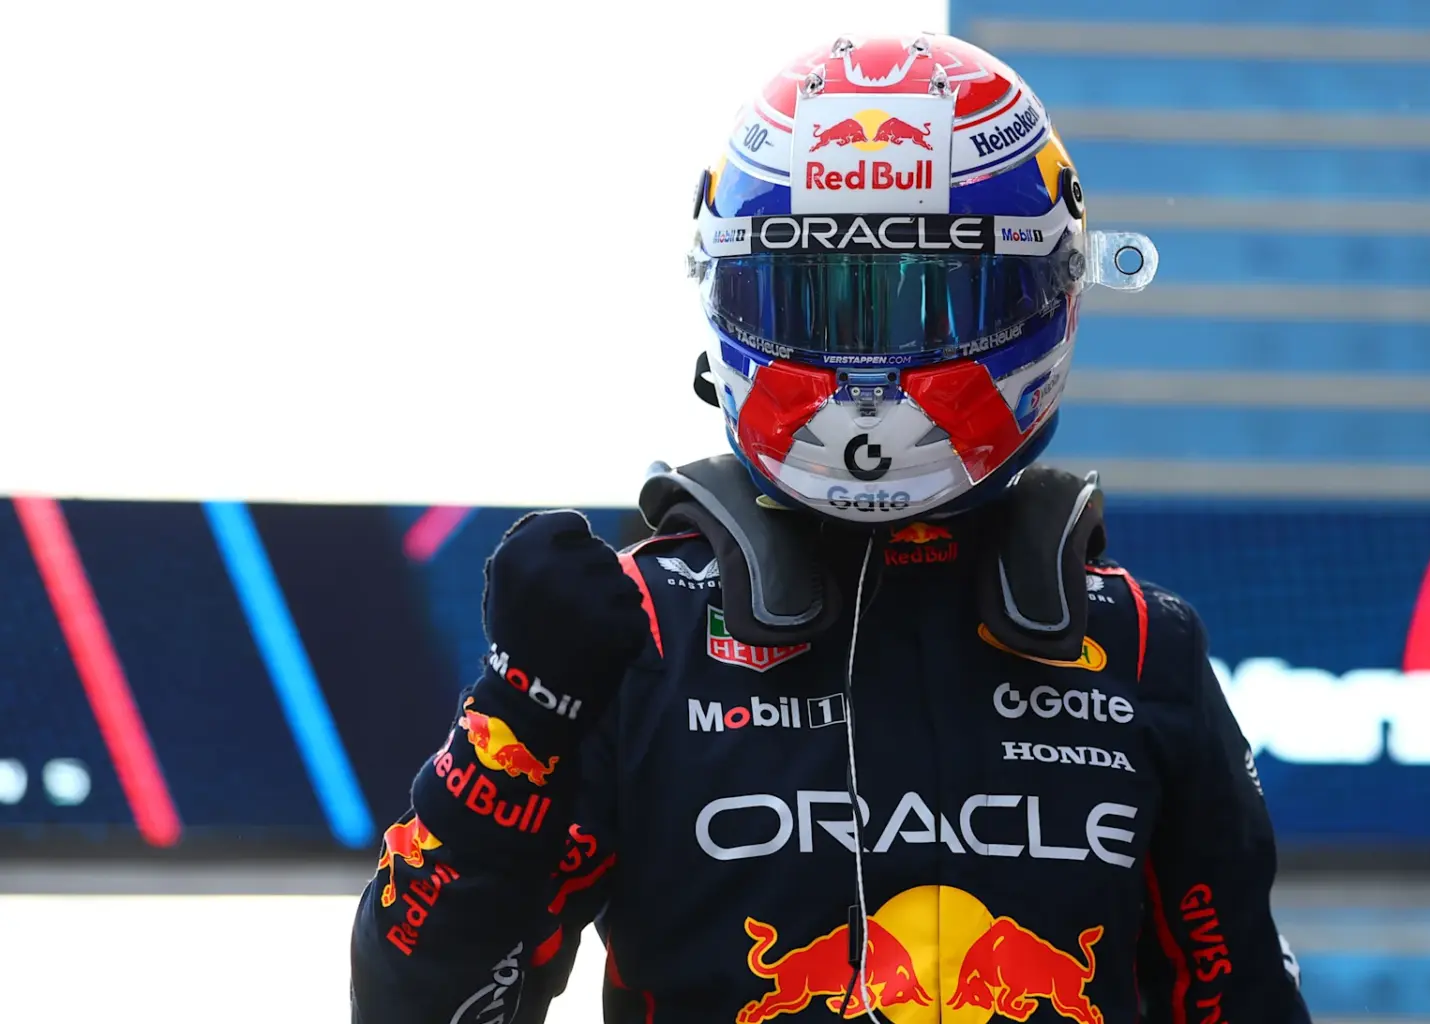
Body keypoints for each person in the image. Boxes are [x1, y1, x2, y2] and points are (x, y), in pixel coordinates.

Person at [350, 33, 1311, 1024]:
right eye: (814, 297)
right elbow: (414, 1006)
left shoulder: (1140, 649)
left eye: (926, 297)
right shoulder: (637, 638)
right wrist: (519, 718)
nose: (868, 365)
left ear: (1043, 293)